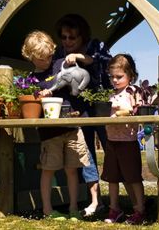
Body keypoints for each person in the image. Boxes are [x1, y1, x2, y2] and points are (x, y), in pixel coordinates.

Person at [21, 30, 90, 221]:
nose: (47, 61)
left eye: (49, 56)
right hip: (50, 132)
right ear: (31, 57)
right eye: (42, 59)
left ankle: (74, 207)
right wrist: (38, 96)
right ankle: (48, 210)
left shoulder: (60, 65)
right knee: (48, 169)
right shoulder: (31, 80)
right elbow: (30, 105)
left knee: (72, 169)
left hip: (71, 127)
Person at [53, 14, 112, 216]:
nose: (67, 42)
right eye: (64, 37)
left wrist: (80, 57)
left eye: (72, 37)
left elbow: (106, 64)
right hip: (79, 109)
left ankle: (117, 201)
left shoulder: (96, 46)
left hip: (103, 106)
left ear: (82, 37)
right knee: (86, 154)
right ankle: (96, 201)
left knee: (112, 150)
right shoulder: (60, 53)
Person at [101, 54, 145, 225]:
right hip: (111, 140)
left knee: (132, 177)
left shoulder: (133, 91)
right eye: (112, 77)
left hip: (128, 141)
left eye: (119, 77)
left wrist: (124, 108)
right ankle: (114, 209)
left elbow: (138, 110)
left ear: (130, 76)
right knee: (112, 177)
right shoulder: (110, 94)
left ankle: (139, 210)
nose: (115, 80)